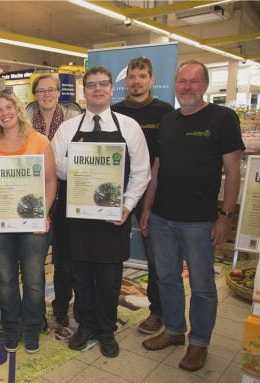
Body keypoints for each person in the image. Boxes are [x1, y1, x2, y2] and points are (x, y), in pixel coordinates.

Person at [140, 60, 244, 371]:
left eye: (194, 81)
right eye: (182, 81)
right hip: (161, 218)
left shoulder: (223, 118)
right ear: (174, 85)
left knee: (201, 286)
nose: (187, 86)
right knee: (167, 278)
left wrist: (225, 215)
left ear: (205, 85)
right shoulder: (168, 121)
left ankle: (198, 342)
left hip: (200, 221)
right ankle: (173, 331)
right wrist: (146, 209)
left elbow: (233, 171)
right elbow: (156, 170)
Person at [51, 66, 150, 358]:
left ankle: (106, 330)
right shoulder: (68, 128)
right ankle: (85, 325)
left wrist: (128, 205)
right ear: (84, 91)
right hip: (77, 217)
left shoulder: (129, 126)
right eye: (91, 84)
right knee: (80, 276)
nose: (97, 89)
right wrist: (89, 163)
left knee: (109, 279)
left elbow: (142, 172)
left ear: (110, 89)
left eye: (103, 84)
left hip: (112, 217)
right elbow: (56, 164)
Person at [0, 91, 57, 354]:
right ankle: (12, 328)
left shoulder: (39, 141)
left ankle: (32, 328)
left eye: (8, 107)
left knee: (35, 281)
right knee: (6, 281)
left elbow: (49, 181)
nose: (4, 113)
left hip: (32, 222)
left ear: (18, 109)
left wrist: (43, 213)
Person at [111, 57, 174, 334]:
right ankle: (107, 304)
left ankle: (157, 311)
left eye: (142, 76)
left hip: (152, 192)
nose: (136, 81)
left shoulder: (164, 112)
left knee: (155, 256)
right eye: (132, 77)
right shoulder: (115, 111)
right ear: (126, 81)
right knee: (110, 251)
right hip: (115, 190)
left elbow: (165, 157)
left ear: (151, 79)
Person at [31, 73, 81, 328]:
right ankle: (36, 311)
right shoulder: (26, 120)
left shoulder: (74, 120)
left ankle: (61, 305)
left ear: (59, 92)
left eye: (51, 90)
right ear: (34, 95)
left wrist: (57, 166)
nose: (47, 95)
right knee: (35, 261)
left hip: (65, 198)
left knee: (64, 259)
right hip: (32, 197)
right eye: (41, 91)